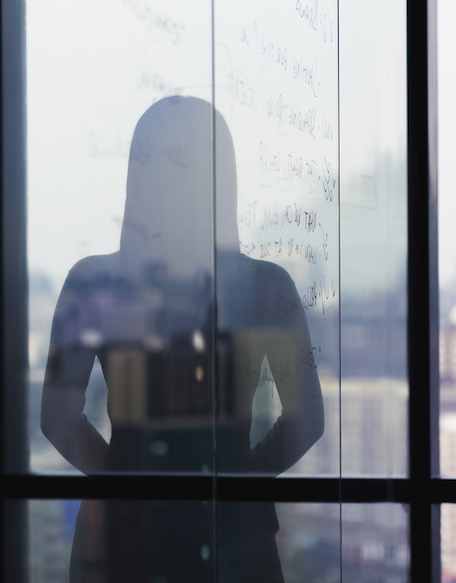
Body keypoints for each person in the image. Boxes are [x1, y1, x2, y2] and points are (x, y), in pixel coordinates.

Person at [41, 96, 324, 582]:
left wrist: (123, 481)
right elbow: (307, 420)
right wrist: (238, 481)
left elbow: (56, 417)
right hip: (233, 532)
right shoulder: (266, 286)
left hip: (125, 535)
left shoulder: (94, 282)